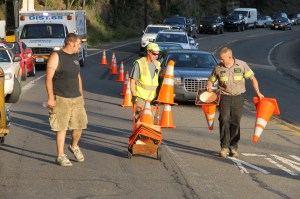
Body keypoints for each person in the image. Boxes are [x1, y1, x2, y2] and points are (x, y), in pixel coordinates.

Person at [206, 47, 264, 158]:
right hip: (224, 97)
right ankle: (224, 147)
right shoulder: (218, 67)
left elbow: (252, 79)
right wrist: (209, 85)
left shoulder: (242, 65)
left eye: (222, 59)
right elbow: (211, 79)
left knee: (235, 122)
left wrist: (258, 92)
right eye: (220, 59)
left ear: (230, 57)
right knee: (224, 120)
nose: (221, 61)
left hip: (238, 98)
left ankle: (233, 147)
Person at [45, 33, 88, 166]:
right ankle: (60, 156)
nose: (80, 46)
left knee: (79, 125)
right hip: (61, 98)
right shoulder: (56, 56)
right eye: (78, 44)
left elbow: (78, 76)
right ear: (71, 43)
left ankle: (74, 146)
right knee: (61, 127)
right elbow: (48, 79)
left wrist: (81, 96)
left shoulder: (75, 56)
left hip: (76, 98)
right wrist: (51, 98)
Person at [130, 42, 161, 121]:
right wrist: (134, 96)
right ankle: (138, 133)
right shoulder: (139, 63)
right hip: (140, 97)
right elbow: (132, 81)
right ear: (148, 52)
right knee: (139, 120)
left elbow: (160, 79)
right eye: (154, 54)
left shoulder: (157, 64)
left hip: (152, 98)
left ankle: (146, 133)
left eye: (158, 54)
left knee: (149, 120)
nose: (156, 56)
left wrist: (169, 69)